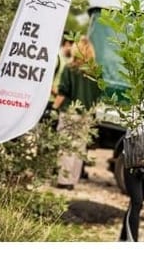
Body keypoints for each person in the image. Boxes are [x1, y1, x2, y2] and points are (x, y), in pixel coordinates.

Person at [53, 35, 100, 188]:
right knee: (79, 148)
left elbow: (63, 92)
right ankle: (72, 180)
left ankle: (63, 181)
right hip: (86, 115)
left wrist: (53, 109)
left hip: (70, 112)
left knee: (67, 147)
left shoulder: (70, 68)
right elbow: (98, 96)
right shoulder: (96, 72)